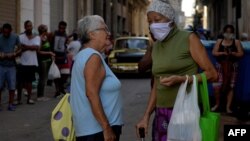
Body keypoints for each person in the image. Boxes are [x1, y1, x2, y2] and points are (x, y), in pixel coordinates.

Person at [135, 0, 218, 140]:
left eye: (157, 19)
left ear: (170, 19)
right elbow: (157, 84)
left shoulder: (189, 38)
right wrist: (146, 116)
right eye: (150, 21)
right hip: (162, 112)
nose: (153, 25)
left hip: (186, 111)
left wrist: (184, 79)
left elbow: (212, 74)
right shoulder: (156, 46)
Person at [70, 15, 123, 141]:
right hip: (97, 132)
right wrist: (106, 127)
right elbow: (92, 93)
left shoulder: (84, 55)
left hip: (92, 131)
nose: (108, 33)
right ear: (92, 34)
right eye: (104, 29)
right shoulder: (93, 57)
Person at [211, 24, 244, 113]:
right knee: (217, 86)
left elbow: (241, 53)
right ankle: (217, 104)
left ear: (233, 33)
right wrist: (222, 53)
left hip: (232, 67)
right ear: (224, 32)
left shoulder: (236, 42)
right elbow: (214, 52)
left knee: (230, 86)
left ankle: (228, 107)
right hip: (220, 66)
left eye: (230, 32)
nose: (228, 34)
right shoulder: (219, 41)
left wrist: (233, 53)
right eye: (227, 32)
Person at [17, 20, 41, 104]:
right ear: (24, 27)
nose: (29, 27)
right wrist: (31, 47)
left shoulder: (37, 37)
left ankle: (29, 99)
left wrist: (25, 47)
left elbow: (36, 48)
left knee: (29, 81)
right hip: (22, 62)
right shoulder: (21, 37)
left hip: (32, 62)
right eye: (27, 26)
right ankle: (19, 99)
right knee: (20, 82)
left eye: (30, 26)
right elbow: (19, 48)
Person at [0, 23, 22, 111]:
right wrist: (1, 55)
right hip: (1, 65)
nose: (5, 34)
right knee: (0, 86)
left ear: (10, 31)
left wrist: (15, 54)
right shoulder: (0, 37)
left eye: (7, 32)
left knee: (12, 86)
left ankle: (11, 104)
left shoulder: (15, 37)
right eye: (4, 32)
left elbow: (20, 48)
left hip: (11, 66)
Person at [36, 24, 55, 101]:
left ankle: (41, 94)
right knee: (42, 78)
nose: (47, 32)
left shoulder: (45, 38)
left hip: (47, 61)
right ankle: (40, 96)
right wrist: (49, 53)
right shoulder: (40, 39)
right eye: (46, 30)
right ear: (43, 31)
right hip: (42, 61)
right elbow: (38, 51)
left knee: (44, 78)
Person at [51, 21, 70, 97]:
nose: (61, 29)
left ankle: (61, 87)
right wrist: (51, 54)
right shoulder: (54, 34)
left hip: (63, 57)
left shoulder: (65, 36)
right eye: (60, 28)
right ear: (58, 27)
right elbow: (50, 43)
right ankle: (57, 89)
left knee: (65, 73)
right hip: (56, 57)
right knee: (56, 74)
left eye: (63, 28)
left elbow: (66, 45)